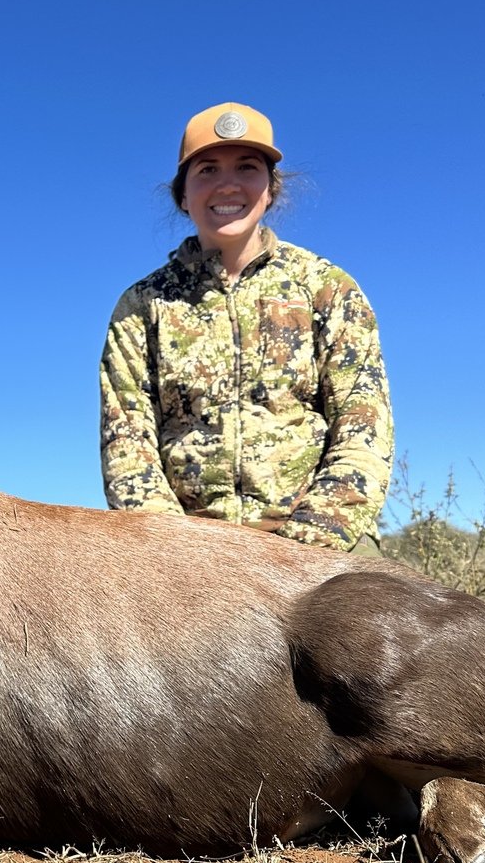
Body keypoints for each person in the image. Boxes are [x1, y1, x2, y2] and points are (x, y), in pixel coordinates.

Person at [99, 102, 393, 553]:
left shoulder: (327, 287)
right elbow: (127, 446)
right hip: (188, 554)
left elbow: (363, 427)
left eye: (247, 167)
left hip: (320, 546)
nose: (228, 184)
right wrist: (182, 555)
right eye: (208, 170)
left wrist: (307, 545)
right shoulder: (142, 306)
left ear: (271, 189)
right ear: (182, 194)